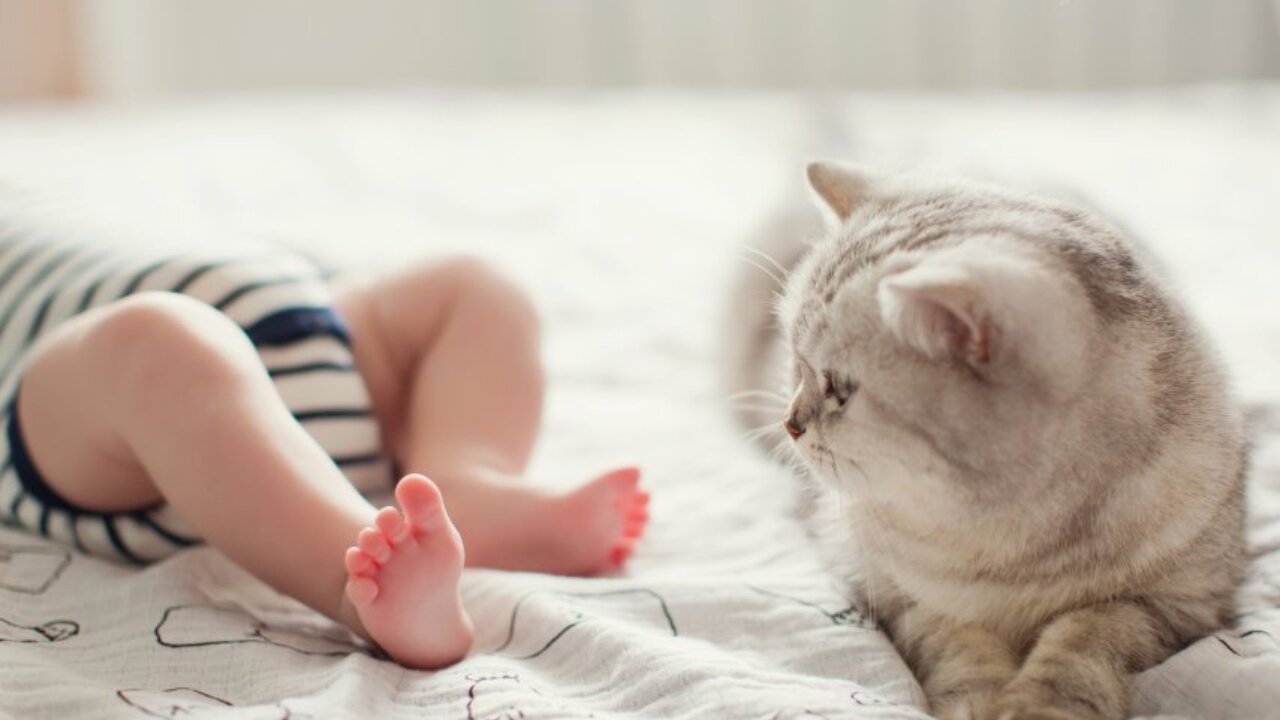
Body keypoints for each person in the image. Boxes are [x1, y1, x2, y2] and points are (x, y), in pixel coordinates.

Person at [0, 240, 648, 670]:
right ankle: (355, 579)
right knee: (154, 343)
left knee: (475, 283)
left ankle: (464, 479)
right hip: (105, 419)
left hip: (312, 321)